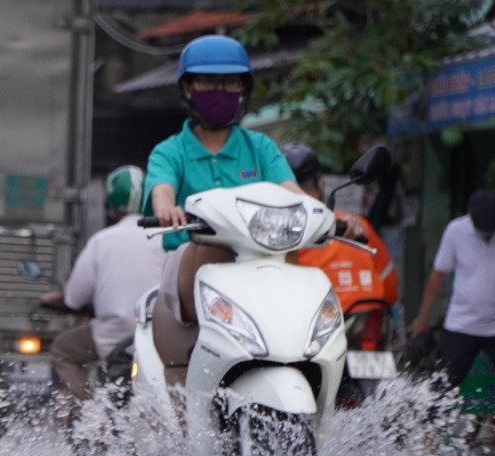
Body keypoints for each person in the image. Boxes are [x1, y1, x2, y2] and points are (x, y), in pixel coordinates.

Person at [141, 34, 306, 334]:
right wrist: (166, 209)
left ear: (243, 89)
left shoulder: (261, 148)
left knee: (296, 263)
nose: (221, 90)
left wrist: (329, 217)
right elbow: (161, 189)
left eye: (230, 82)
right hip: (190, 267)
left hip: (261, 267)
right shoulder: (170, 151)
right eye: (208, 81)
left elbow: (293, 194)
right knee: (215, 249)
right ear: (188, 88)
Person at [40, 165, 165, 413]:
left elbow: (74, 299)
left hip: (114, 334)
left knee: (63, 349)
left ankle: (90, 414)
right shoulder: (170, 238)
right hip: (159, 335)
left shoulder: (102, 240)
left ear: (110, 203)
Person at [287, 143, 399, 316]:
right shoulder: (358, 223)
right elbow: (390, 290)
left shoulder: (283, 234)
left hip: (322, 324)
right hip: (370, 319)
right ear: (321, 183)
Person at [408, 190, 495, 389]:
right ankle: (432, 420)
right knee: (444, 388)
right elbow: (438, 275)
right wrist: (423, 318)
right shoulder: (456, 231)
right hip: (462, 325)